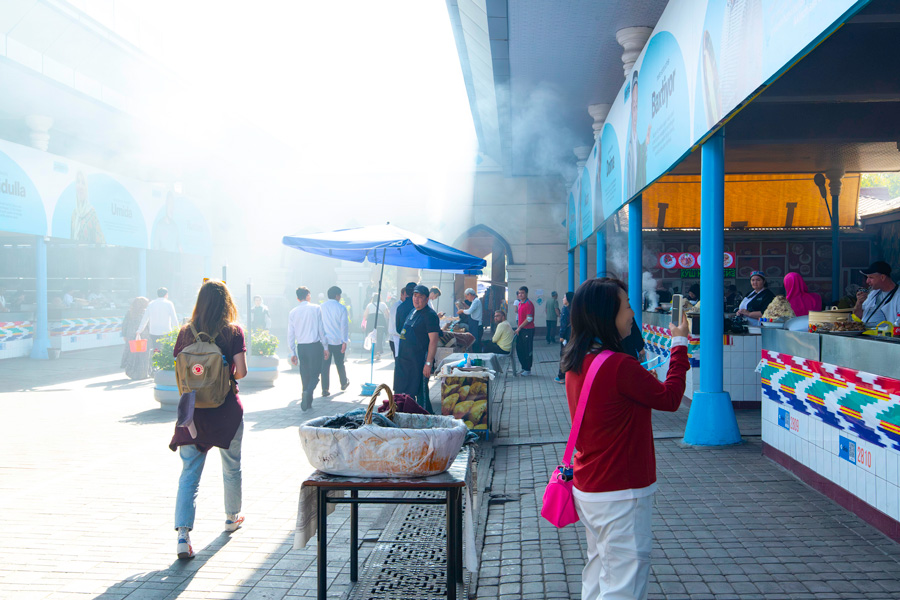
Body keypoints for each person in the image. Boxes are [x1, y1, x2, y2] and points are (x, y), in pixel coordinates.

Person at [560, 277, 689, 599]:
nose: (632, 313)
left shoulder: (578, 359)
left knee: (599, 570)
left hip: (590, 485)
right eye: (627, 306)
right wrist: (680, 344)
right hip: (621, 489)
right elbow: (671, 399)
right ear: (607, 314)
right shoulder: (618, 364)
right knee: (623, 583)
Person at [170, 280, 248, 560]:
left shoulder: (185, 333)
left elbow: (180, 372)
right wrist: (223, 371)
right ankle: (231, 517)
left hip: (192, 413)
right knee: (231, 467)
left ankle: (183, 536)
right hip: (225, 410)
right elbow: (241, 373)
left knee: (189, 473)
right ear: (226, 302)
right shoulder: (233, 332)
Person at [394, 284, 440, 412]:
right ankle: (410, 419)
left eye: (420, 297)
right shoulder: (413, 311)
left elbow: (433, 340)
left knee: (421, 395)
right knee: (404, 394)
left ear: (427, 299)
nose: (416, 299)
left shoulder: (430, 315)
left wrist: (428, 363)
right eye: (415, 295)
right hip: (405, 361)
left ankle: (427, 422)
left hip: (419, 362)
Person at [287, 287, 329, 411]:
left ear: (297, 298)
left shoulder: (293, 312)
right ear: (308, 296)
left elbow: (290, 333)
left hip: (301, 347)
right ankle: (308, 392)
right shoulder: (316, 308)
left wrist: (292, 352)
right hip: (314, 345)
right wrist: (325, 347)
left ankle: (307, 400)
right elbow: (321, 329)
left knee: (304, 374)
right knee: (315, 373)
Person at [320, 286, 350, 396]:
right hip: (337, 340)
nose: (340, 297)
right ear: (337, 295)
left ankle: (325, 389)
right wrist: (344, 341)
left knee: (325, 365)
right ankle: (343, 382)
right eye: (340, 295)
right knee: (340, 363)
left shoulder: (321, 307)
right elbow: (344, 326)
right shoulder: (341, 308)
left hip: (324, 341)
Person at [854, 261, 900, 327]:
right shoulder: (873, 293)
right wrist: (859, 303)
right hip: (864, 335)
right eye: (867, 277)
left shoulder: (898, 296)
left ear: (882, 277)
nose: (867, 281)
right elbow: (858, 317)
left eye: (871, 277)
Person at [137, 287, 179, 353]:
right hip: (166, 332)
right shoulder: (169, 304)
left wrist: (139, 330)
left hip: (153, 332)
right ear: (166, 294)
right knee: (165, 351)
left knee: (156, 350)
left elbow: (145, 318)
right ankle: (163, 362)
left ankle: (156, 361)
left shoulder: (151, 304)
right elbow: (174, 319)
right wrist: (177, 331)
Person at [70, 170, 106, 244]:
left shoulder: (91, 213)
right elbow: (71, 241)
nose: (80, 186)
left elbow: (101, 242)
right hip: (74, 255)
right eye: (78, 182)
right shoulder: (74, 214)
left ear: (86, 188)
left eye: (83, 183)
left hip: (88, 255)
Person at [121, 297, 151, 379]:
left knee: (132, 354)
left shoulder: (130, 312)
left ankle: (131, 372)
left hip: (131, 335)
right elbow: (148, 324)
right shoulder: (146, 312)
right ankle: (143, 373)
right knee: (143, 355)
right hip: (144, 336)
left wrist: (124, 335)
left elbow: (125, 324)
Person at [514, 286, 536, 375]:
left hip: (528, 330)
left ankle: (528, 369)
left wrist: (519, 327)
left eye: (522, 293)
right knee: (519, 348)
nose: (520, 294)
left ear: (526, 293)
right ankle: (523, 367)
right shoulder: (520, 303)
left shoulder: (528, 304)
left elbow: (529, 319)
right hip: (521, 329)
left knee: (527, 349)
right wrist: (519, 328)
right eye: (519, 293)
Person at [555, 291, 574, 383]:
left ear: (568, 299)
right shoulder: (574, 309)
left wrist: (561, 336)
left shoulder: (565, 309)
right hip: (572, 335)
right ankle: (570, 375)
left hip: (566, 336)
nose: (563, 299)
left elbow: (563, 324)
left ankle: (561, 376)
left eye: (564, 297)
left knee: (563, 355)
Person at [457, 288, 484, 352]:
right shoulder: (474, 301)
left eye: (466, 296)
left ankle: (477, 357)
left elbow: (469, 311)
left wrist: (462, 311)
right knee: (474, 343)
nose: (466, 298)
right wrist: (464, 305)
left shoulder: (476, 301)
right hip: (474, 324)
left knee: (476, 343)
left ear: (470, 294)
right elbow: (470, 309)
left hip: (476, 326)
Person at [364, 292, 390, 359]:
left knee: (372, 337)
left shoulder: (369, 305)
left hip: (371, 323)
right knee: (379, 338)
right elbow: (388, 315)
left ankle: (373, 352)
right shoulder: (383, 304)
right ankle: (378, 353)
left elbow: (365, 316)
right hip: (380, 323)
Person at [388, 285, 409, 358]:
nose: (407, 297)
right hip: (395, 338)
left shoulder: (403, 305)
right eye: (405, 295)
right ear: (401, 295)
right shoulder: (398, 306)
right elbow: (396, 324)